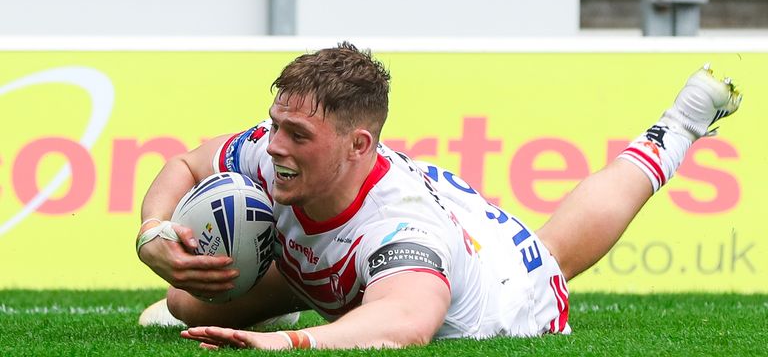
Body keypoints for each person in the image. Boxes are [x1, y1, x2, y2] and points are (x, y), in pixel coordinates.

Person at [136, 42, 742, 350]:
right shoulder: (277, 153)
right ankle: (294, 291)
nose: (273, 146)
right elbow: (185, 163)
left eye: (297, 134)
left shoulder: (400, 227)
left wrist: (283, 341)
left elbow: (406, 323)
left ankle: (676, 129)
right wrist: (153, 234)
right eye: (274, 125)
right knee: (185, 300)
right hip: (352, 252)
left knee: (554, 253)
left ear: (357, 143)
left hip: (508, 293)